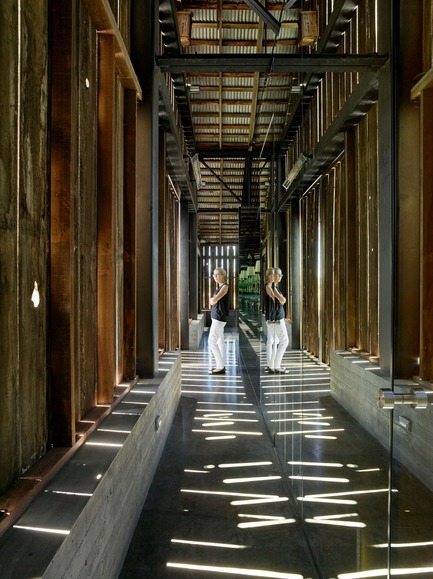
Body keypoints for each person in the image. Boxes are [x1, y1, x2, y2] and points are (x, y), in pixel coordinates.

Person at [208, 267, 230, 374]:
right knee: (220, 342)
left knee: (211, 342)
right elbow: (212, 300)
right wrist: (212, 300)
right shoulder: (220, 287)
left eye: (216, 275)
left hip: (219, 318)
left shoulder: (225, 287)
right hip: (217, 317)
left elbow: (213, 300)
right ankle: (221, 365)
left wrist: (212, 300)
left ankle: (220, 366)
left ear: (223, 276)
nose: (214, 277)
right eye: (213, 275)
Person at [272, 267, 289, 374]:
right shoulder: (273, 288)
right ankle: (277, 366)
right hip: (278, 318)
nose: (281, 277)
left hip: (278, 317)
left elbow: (282, 301)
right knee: (284, 341)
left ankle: (275, 365)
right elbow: (283, 300)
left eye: (281, 275)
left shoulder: (274, 287)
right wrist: (283, 299)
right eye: (279, 275)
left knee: (278, 341)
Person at [264, 267, 277, 373]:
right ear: (268, 276)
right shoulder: (268, 287)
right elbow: (274, 298)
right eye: (273, 275)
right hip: (271, 317)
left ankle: (271, 364)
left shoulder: (271, 286)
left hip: (272, 316)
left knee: (273, 340)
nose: (274, 277)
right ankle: (270, 364)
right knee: (271, 340)